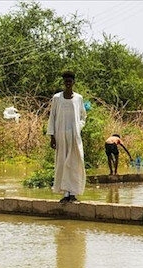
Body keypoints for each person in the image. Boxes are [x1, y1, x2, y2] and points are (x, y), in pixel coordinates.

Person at [47, 71, 87, 203]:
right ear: (64, 83)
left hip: (74, 135)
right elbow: (52, 117)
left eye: (70, 81)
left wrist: (78, 127)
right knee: (62, 163)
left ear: (73, 82)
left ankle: (73, 193)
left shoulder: (78, 98)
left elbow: (83, 116)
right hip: (60, 135)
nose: (68, 83)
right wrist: (52, 136)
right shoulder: (57, 98)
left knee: (75, 163)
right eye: (66, 81)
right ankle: (65, 194)